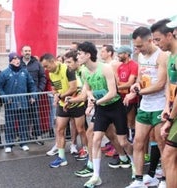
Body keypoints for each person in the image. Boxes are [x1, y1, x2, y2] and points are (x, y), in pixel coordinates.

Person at [66, 41, 133, 187]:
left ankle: (134, 165)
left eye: (80, 53)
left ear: (88, 55)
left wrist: (96, 102)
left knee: (123, 141)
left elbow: (113, 92)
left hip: (115, 107)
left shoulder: (106, 68)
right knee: (95, 139)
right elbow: (88, 88)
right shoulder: (83, 71)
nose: (78, 56)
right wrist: (90, 99)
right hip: (101, 108)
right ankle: (96, 176)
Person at [124, 26, 168, 188]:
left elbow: (161, 84)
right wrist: (135, 86)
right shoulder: (141, 58)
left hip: (160, 105)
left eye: (140, 46)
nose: (138, 49)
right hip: (145, 106)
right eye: (136, 46)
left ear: (150, 40)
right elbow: (141, 79)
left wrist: (137, 92)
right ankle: (139, 179)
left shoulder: (162, 56)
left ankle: (163, 180)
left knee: (162, 145)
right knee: (138, 143)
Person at [40, 53, 86, 168]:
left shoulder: (67, 69)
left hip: (76, 102)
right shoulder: (51, 73)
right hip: (62, 103)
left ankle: (86, 150)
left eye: (47, 66)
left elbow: (73, 88)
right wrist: (56, 94)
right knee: (59, 129)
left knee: (81, 129)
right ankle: (61, 157)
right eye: (44, 67)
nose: (46, 69)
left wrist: (60, 96)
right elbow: (55, 87)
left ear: (53, 61)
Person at [152, 17, 177, 188]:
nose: (156, 43)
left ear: (170, 35)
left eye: (158, 39)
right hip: (173, 110)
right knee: (169, 156)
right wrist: (167, 107)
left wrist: (169, 120)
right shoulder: (170, 58)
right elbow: (171, 86)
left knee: (168, 155)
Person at [0, 52, 37, 153]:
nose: (17, 61)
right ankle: (9, 144)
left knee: (23, 124)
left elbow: (32, 85)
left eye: (18, 58)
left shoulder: (25, 72)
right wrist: (5, 98)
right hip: (10, 104)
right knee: (9, 125)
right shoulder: (4, 73)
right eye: (14, 59)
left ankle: (23, 143)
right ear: (10, 61)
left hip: (23, 103)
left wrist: (33, 96)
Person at [20, 45, 46, 144]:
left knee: (35, 116)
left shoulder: (37, 63)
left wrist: (38, 90)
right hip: (21, 95)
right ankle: (25, 137)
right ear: (21, 52)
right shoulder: (18, 63)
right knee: (23, 116)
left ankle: (38, 136)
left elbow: (43, 77)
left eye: (29, 51)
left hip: (34, 94)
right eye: (26, 51)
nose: (28, 52)